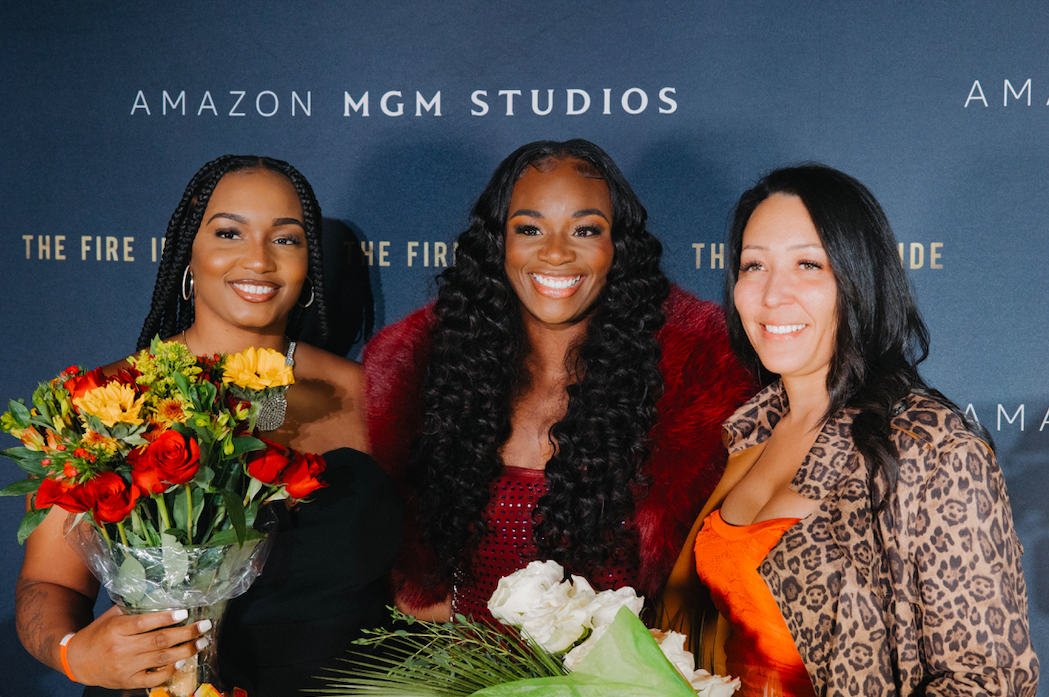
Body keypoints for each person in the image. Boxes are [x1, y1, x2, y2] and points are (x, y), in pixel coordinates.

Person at [14, 155, 401, 696]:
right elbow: (46, 584)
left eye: (285, 240)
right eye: (229, 233)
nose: (258, 260)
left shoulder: (373, 397)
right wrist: (75, 655)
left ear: (308, 264)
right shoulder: (107, 401)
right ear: (188, 257)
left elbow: (427, 585)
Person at [672, 164, 1039, 696]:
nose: (773, 294)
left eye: (808, 264)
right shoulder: (748, 430)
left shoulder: (931, 447)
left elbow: (987, 684)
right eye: (754, 266)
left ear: (858, 279)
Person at [363, 139, 754, 623]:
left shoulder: (699, 382)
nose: (555, 253)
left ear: (618, 247)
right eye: (530, 228)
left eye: (585, 230)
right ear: (497, 243)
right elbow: (414, 586)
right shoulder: (426, 375)